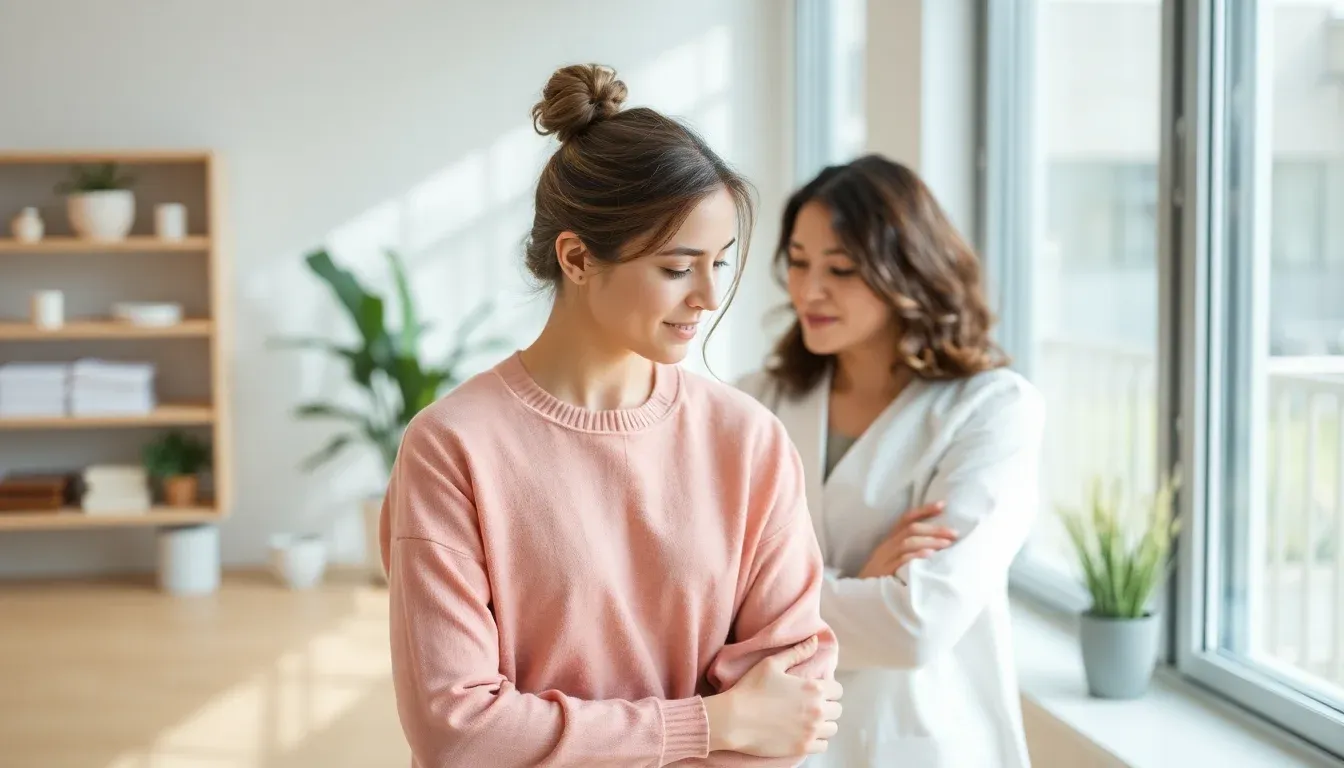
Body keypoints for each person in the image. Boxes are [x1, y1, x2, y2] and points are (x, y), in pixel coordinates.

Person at [379, 63, 843, 767]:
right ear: (576, 257)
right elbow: (459, 729)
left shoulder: (748, 442)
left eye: (720, 261)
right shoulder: (451, 448)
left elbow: (789, 709)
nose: (709, 297)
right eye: (676, 266)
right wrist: (711, 724)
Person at [736, 154, 1044, 767]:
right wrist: (863, 590)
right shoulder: (756, 401)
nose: (809, 290)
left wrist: (769, 605)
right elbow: (703, 599)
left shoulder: (991, 411)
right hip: (777, 745)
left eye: (842, 269)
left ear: (908, 271)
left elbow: (915, 627)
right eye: (797, 263)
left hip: (921, 741)